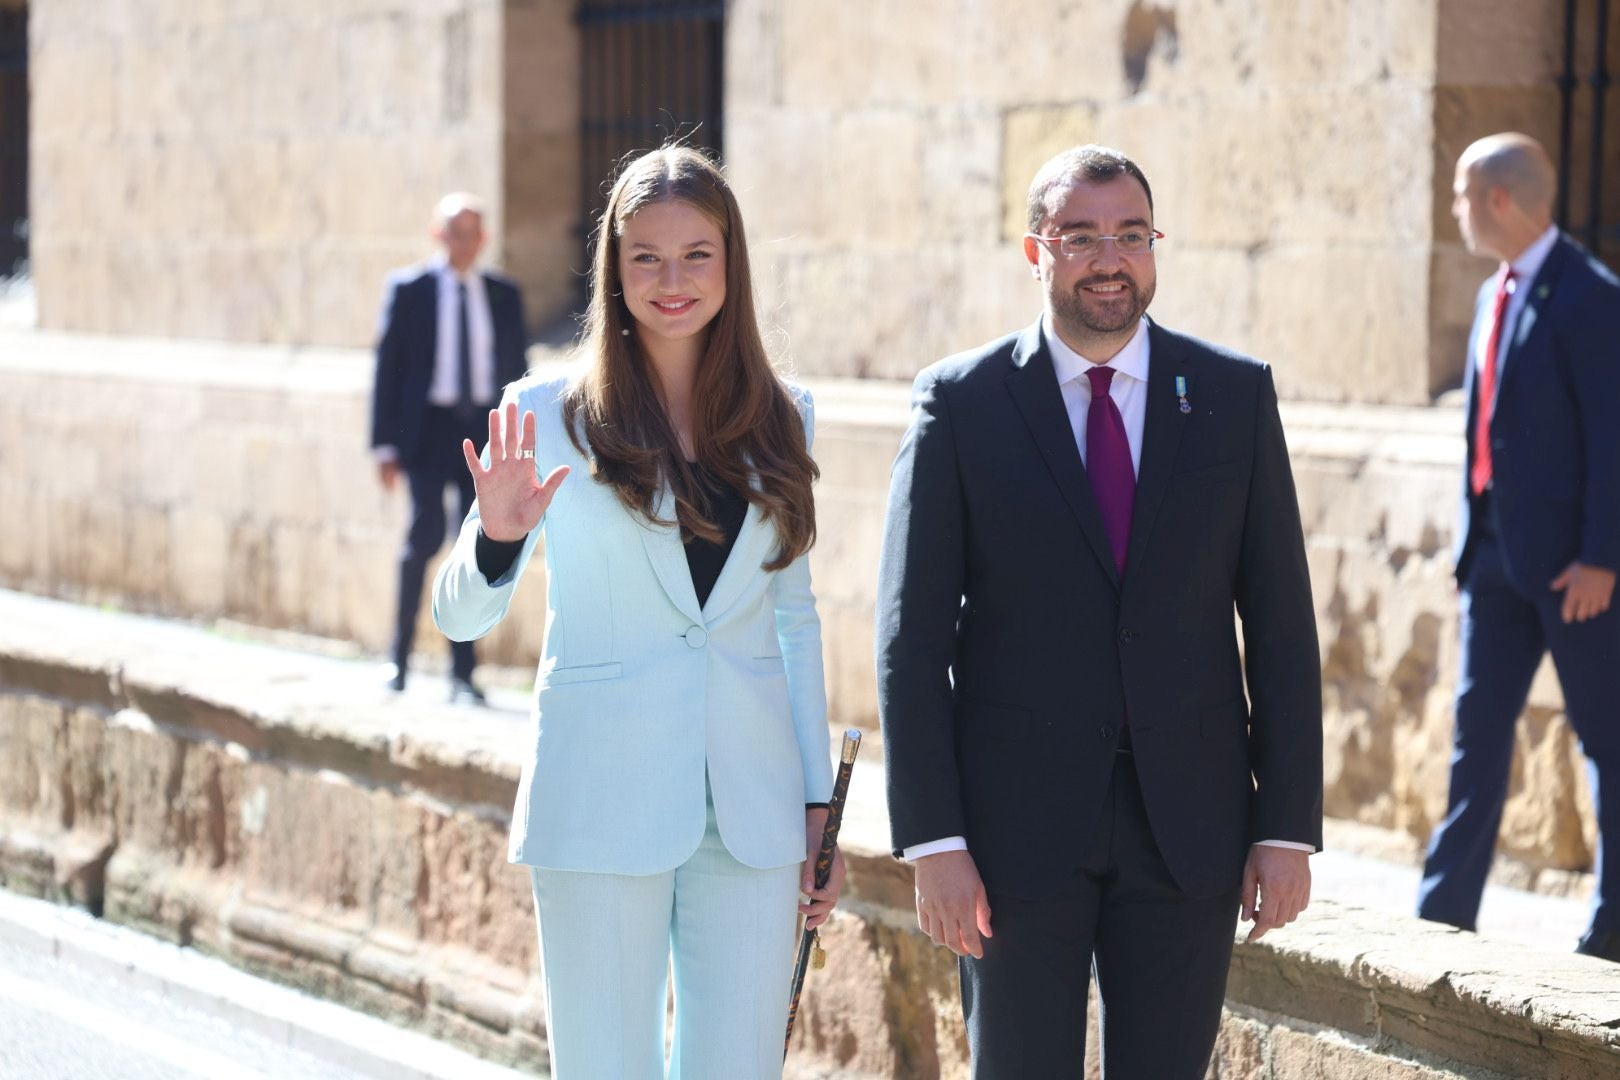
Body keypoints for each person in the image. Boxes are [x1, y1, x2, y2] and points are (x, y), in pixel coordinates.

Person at [876, 144, 1323, 1077]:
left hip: (1190, 830)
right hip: (1008, 837)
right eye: (1080, 237)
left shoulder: (1234, 398)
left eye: (1130, 234)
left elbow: (1280, 625)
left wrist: (1283, 827)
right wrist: (934, 841)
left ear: (1155, 247)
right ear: (1035, 253)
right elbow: (910, 643)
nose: (1108, 258)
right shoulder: (960, 405)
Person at [432, 147, 845, 1078]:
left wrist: (818, 803)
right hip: (599, 797)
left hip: (752, 807)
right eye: (646, 256)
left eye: (697, 254)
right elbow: (456, 616)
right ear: (612, 271)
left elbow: (795, 620)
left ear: (731, 265)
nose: (672, 280)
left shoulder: (789, 415)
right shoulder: (544, 414)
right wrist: (495, 540)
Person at [1416, 133, 1620, 963]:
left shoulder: (1592, 297)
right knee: (1477, 736)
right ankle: (1440, 915)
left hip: (1577, 570)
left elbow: (1614, 434)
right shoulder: (1495, 291)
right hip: (1494, 563)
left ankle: (1611, 926)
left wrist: (1605, 554)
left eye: (1462, 195)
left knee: (1606, 739)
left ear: (1499, 200)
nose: (1456, 210)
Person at [371, 193, 529, 704]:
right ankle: (399, 660)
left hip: (483, 432)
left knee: (476, 548)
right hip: (427, 432)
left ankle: (464, 672)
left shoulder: (504, 294)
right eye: (454, 232)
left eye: (473, 233)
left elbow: (518, 370)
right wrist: (384, 445)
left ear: (484, 239)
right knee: (422, 538)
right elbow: (387, 369)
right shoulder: (411, 290)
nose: (464, 242)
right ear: (438, 235)